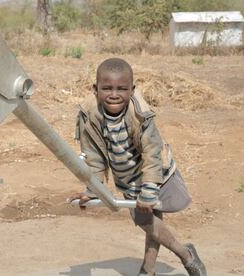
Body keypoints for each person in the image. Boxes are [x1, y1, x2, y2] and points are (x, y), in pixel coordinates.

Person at [71, 58, 207, 276]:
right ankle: (151, 269)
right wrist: (92, 189)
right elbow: (94, 157)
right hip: (129, 178)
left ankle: (184, 255)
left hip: (156, 173)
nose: (114, 94)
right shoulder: (90, 116)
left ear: (132, 90)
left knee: (148, 220)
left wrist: (149, 190)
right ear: (95, 89)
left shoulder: (140, 114)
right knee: (151, 223)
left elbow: (152, 153)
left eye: (121, 89)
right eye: (106, 88)